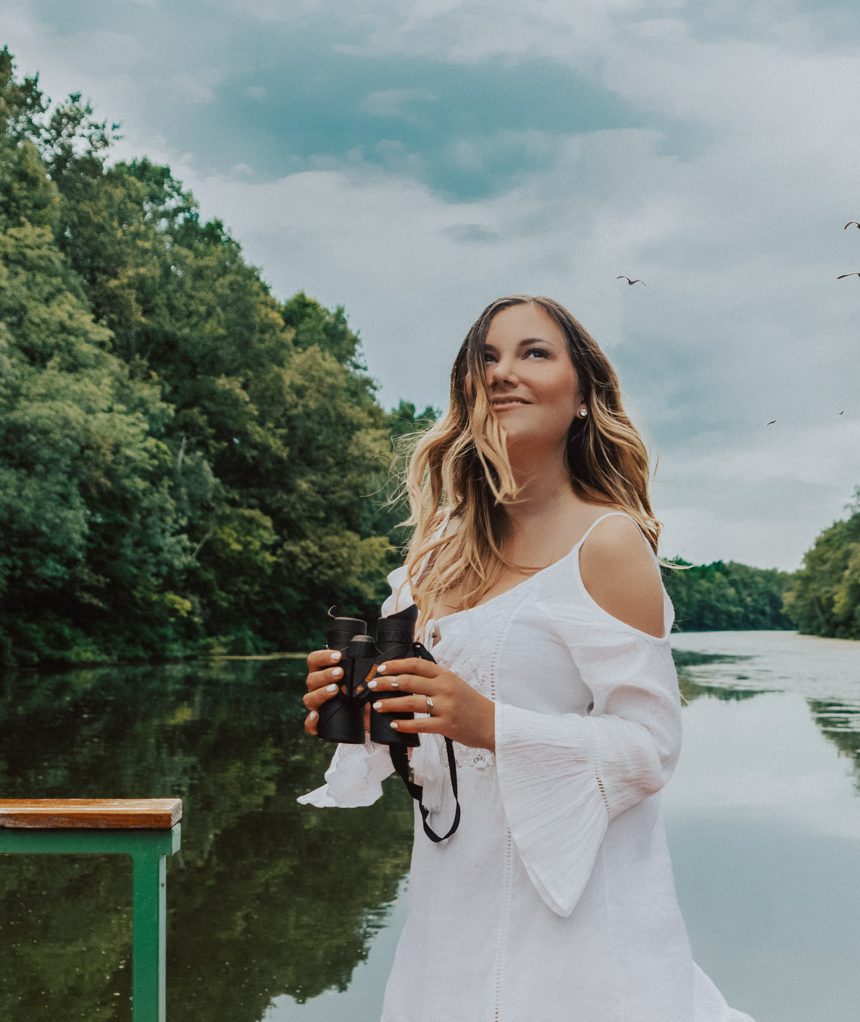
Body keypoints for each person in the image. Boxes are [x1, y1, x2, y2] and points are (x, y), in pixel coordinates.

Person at [297, 293, 753, 1022]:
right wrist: (350, 713)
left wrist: (491, 723)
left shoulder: (606, 545)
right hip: (450, 926)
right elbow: (415, 749)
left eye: (532, 353)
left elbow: (650, 748)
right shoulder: (431, 561)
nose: (503, 372)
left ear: (583, 396)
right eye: (487, 358)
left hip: (580, 943)